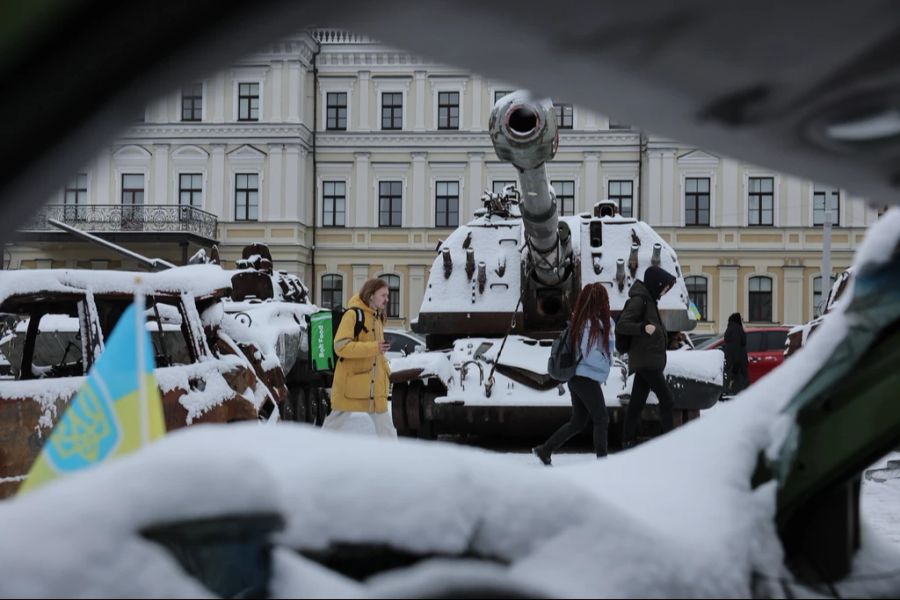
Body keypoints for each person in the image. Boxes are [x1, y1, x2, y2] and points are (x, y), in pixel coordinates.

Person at [533, 282, 615, 465]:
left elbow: (604, 347)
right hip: (585, 378)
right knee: (601, 418)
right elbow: (590, 353)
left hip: (578, 378)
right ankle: (603, 461)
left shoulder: (589, 321)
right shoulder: (588, 324)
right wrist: (607, 362)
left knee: (578, 422)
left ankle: (545, 450)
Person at [322, 278, 397, 439]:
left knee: (387, 430)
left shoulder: (377, 318)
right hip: (350, 385)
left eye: (387, 295)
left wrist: (386, 372)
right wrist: (374, 347)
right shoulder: (352, 315)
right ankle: (315, 455)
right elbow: (340, 346)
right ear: (371, 295)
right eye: (383, 295)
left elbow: (377, 354)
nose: (387, 299)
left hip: (373, 386)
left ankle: (393, 460)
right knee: (332, 427)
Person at [616, 265, 677, 449]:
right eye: (664, 287)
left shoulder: (650, 300)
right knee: (667, 399)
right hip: (646, 361)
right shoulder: (640, 300)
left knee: (636, 403)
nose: (665, 291)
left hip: (648, 360)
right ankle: (669, 442)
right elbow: (622, 325)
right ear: (656, 283)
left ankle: (628, 440)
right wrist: (642, 328)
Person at [723, 312, 749, 394]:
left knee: (733, 382)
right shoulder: (736, 330)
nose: (742, 321)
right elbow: (736, 347)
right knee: (739, 384)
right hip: (737, 363)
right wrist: (736, 366)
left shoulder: (732, 329)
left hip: (733, 361)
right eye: (741, 319)